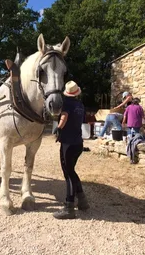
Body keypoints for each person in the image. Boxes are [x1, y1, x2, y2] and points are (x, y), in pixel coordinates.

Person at [52, 80, 90, 219]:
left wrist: (59, 127)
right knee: (72, 171)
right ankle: (82, 200)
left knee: (68, 174)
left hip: (68, 143)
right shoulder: (80, 105)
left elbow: (65, 116)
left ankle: (69, 207)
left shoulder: (66, 104)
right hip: (78, 143)